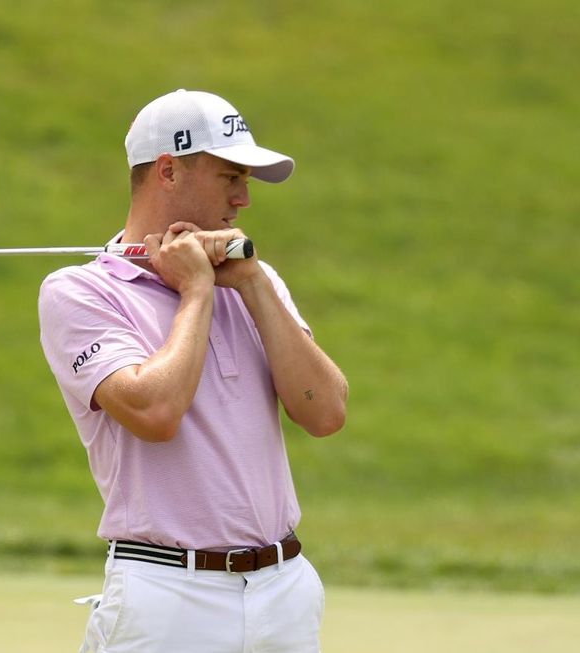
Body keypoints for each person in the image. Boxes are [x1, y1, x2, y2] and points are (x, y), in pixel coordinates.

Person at [38, 89, 348, 653]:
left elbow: (325, 413)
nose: (243, 198)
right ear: (167, 171)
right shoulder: (80, 292)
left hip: (284, 589)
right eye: (230, 176)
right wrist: (197, 291)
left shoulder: (254, 281)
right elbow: (155, 412)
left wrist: (253, 284)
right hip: (166, 595)